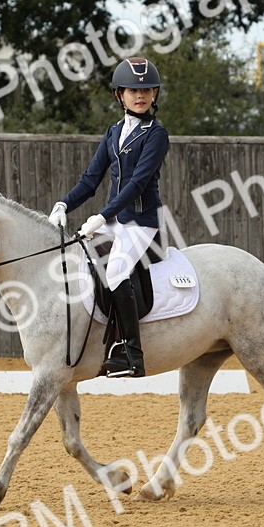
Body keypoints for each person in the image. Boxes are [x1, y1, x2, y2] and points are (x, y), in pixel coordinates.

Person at [48, 56, 169, 378]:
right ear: (119, 95)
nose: (140, 95)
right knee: (82, 265)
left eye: (146, 90)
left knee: (115, 272)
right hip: (116, 220)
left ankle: (132, 353)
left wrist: (101, 216)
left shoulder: (156, 134)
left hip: (141, 222)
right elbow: (91, 179)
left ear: (155, 94)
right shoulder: (113, 132)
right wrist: (63, 204)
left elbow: (136, 183)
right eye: (132, 90)